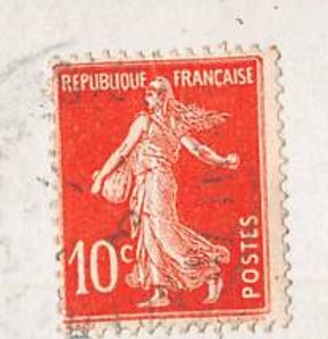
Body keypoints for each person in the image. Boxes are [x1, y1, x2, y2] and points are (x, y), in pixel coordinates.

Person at [90, 76, 240, 309]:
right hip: (143, 182)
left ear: (163, 96)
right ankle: (160, 292)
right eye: (149, 92)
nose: (149, 96)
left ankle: (209, 270)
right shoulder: (146, 121)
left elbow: (197, 149)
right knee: (148, 235)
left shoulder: (164, 123)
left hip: (159, 180)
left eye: (154, 92)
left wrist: (222, 161)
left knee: (163, 230)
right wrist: (223, 161)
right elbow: (123, 151)